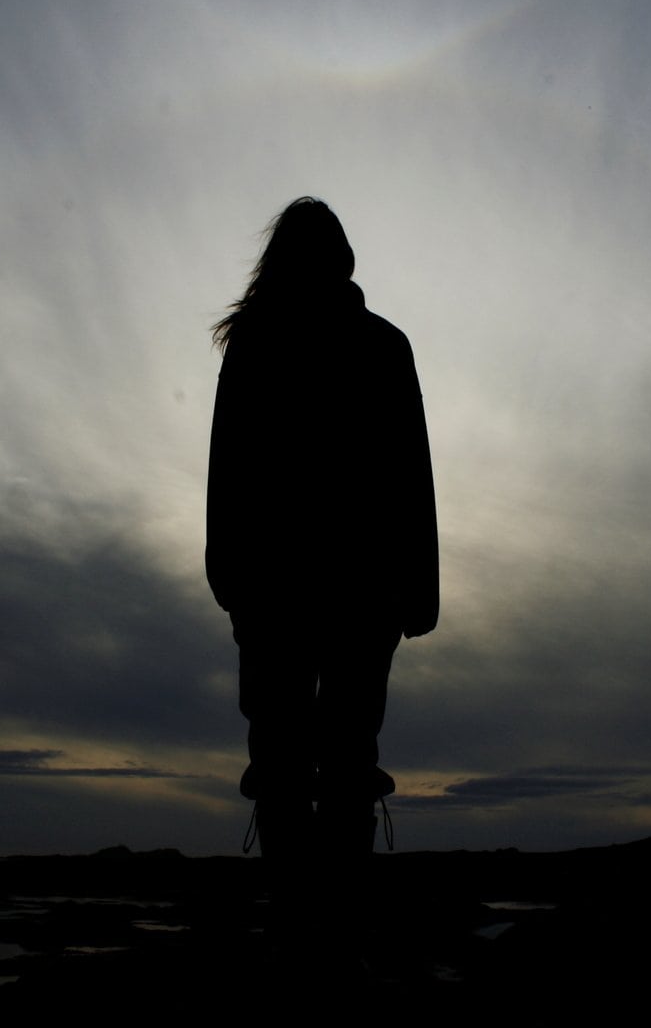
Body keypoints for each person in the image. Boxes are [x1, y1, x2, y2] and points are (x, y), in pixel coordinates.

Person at [206, 197, 438, 916]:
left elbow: (229, 471)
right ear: (342, 261)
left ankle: (300, 921)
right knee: (340, 756)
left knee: (287, 756)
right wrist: (418, 591)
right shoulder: (379, 344)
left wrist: (229, 575)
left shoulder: (256, 342)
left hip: (286, 588)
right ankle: (330, 922)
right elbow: (411, 476)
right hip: (357, 590)